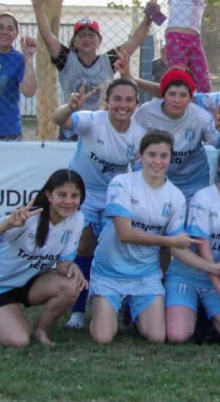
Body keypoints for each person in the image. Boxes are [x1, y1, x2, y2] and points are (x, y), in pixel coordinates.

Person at [89, 130, 220, 345]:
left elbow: (178, 248)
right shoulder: (122, 183)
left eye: (163, 156)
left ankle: (130, 309)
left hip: (145, 275)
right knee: (103, 338)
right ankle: (105, 308)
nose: (158, 161)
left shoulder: (175, 197)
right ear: (141, 156)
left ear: (170, 158)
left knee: (156, 337)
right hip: (109, 272)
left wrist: (211, 268)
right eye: (152, 155)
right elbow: (124, 233)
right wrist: (168, 241)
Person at [52, 78, 147, 330]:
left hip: (112, 195)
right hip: (81, 193)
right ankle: (77, 311)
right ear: (107, 101)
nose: (122, 105)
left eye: (129, 100)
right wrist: (70, 107)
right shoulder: (91, 120)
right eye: (117, 99)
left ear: (137, 104)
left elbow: (138, 177)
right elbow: (59, 120)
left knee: (114, 251)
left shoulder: (139, 134)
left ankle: (122, 306)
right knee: (83, 248)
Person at [0, 170, 87, 347]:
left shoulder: (77, 218)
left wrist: (73, 268)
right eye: (62, 195)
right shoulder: (29, 216)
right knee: (18, 341)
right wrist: (7, 223)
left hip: (29, 282)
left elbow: (63, 263)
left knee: (72, 286)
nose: (68, 201)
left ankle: (40, 329)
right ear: (49, 195)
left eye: (75, 196)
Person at [29, 0, 154, 140]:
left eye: (91, 35)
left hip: (100, 126)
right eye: (81, 35)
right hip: (72, 125)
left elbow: (134, 41)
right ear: (74, 41)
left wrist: (148, 20)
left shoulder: (108, 60)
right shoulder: (66, 59)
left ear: (99, 41)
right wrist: (37, 7)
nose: (86, 39)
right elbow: (48, 36)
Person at [165, 144, 220, 344]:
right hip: (188, 275)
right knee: (178, 336)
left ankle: (205, 317)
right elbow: (203, 249)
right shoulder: (203, 197)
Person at [134, 69, 220, 201]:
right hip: (157, 178)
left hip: (193, 181)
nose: (177, 100)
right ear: (163, 94)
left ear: (191, 98)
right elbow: (135, 150)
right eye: (172, 94)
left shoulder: (201, 117)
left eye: (183, 95)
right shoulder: (145, 113)